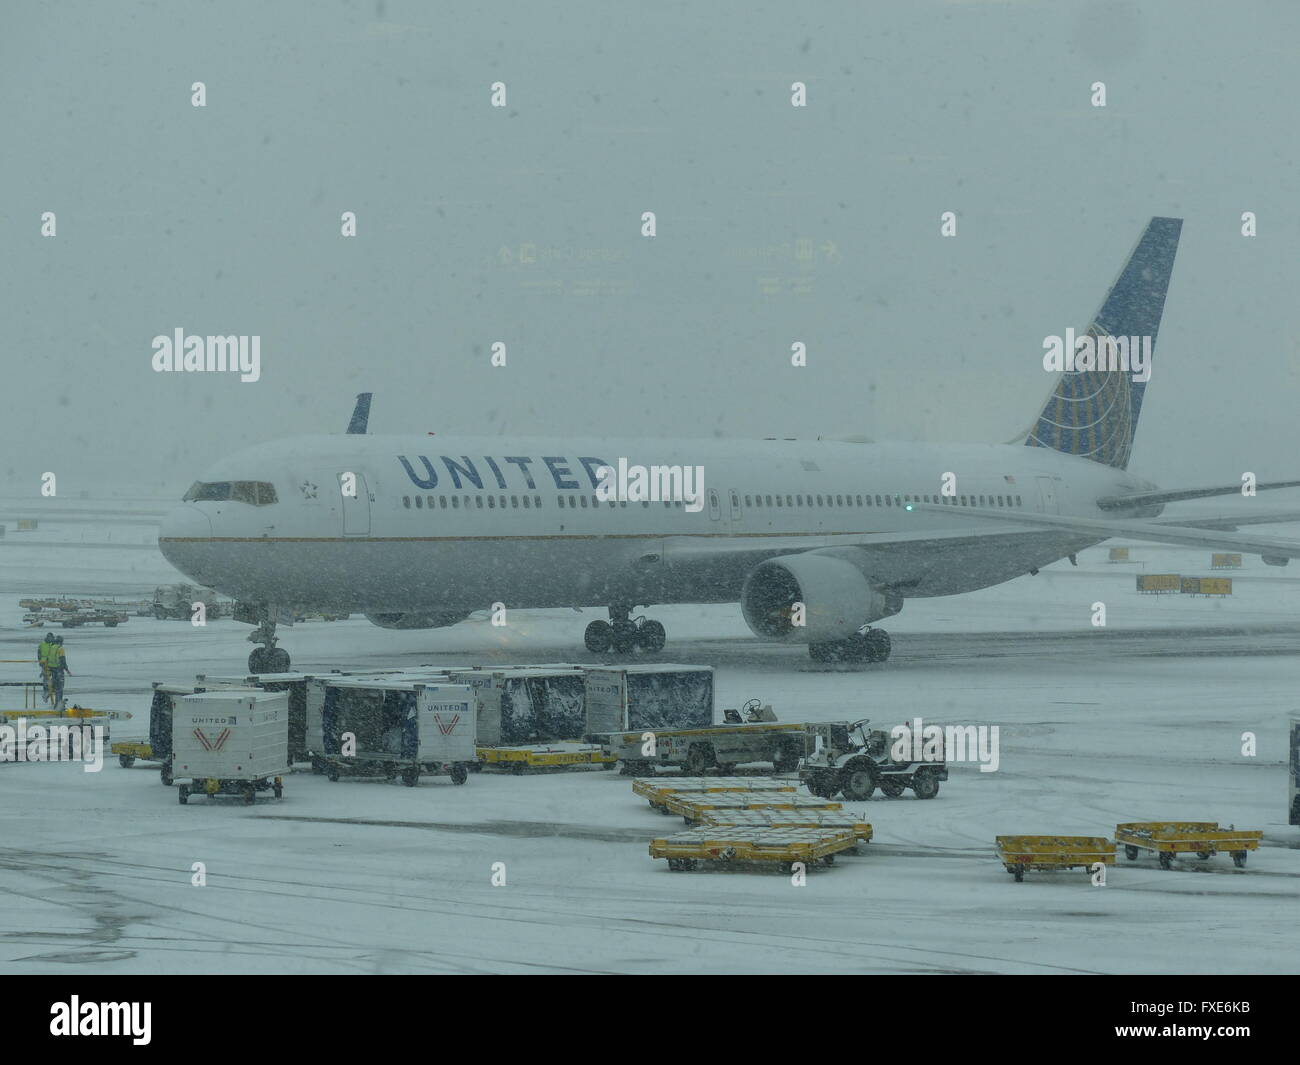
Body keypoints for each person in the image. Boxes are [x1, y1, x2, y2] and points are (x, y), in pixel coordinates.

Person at [49, 636, 72, 710]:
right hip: (59, 670)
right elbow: (62, 660)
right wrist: (67, 669)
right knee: (60, 688)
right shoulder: (60, 648)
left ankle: (56, 704)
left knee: (56, 688)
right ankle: (58, 705)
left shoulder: (52, 647)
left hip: (52, 670)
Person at [37, 632, 57, 704]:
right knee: (46, 678)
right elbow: (39, 653)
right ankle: (46, 692)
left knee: (54, 677)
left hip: (53, 664)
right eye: (50, 638)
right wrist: (40, 661)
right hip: (44, 663)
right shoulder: (42, 644)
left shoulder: (53, 644)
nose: (51, 639)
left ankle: (51, 690)